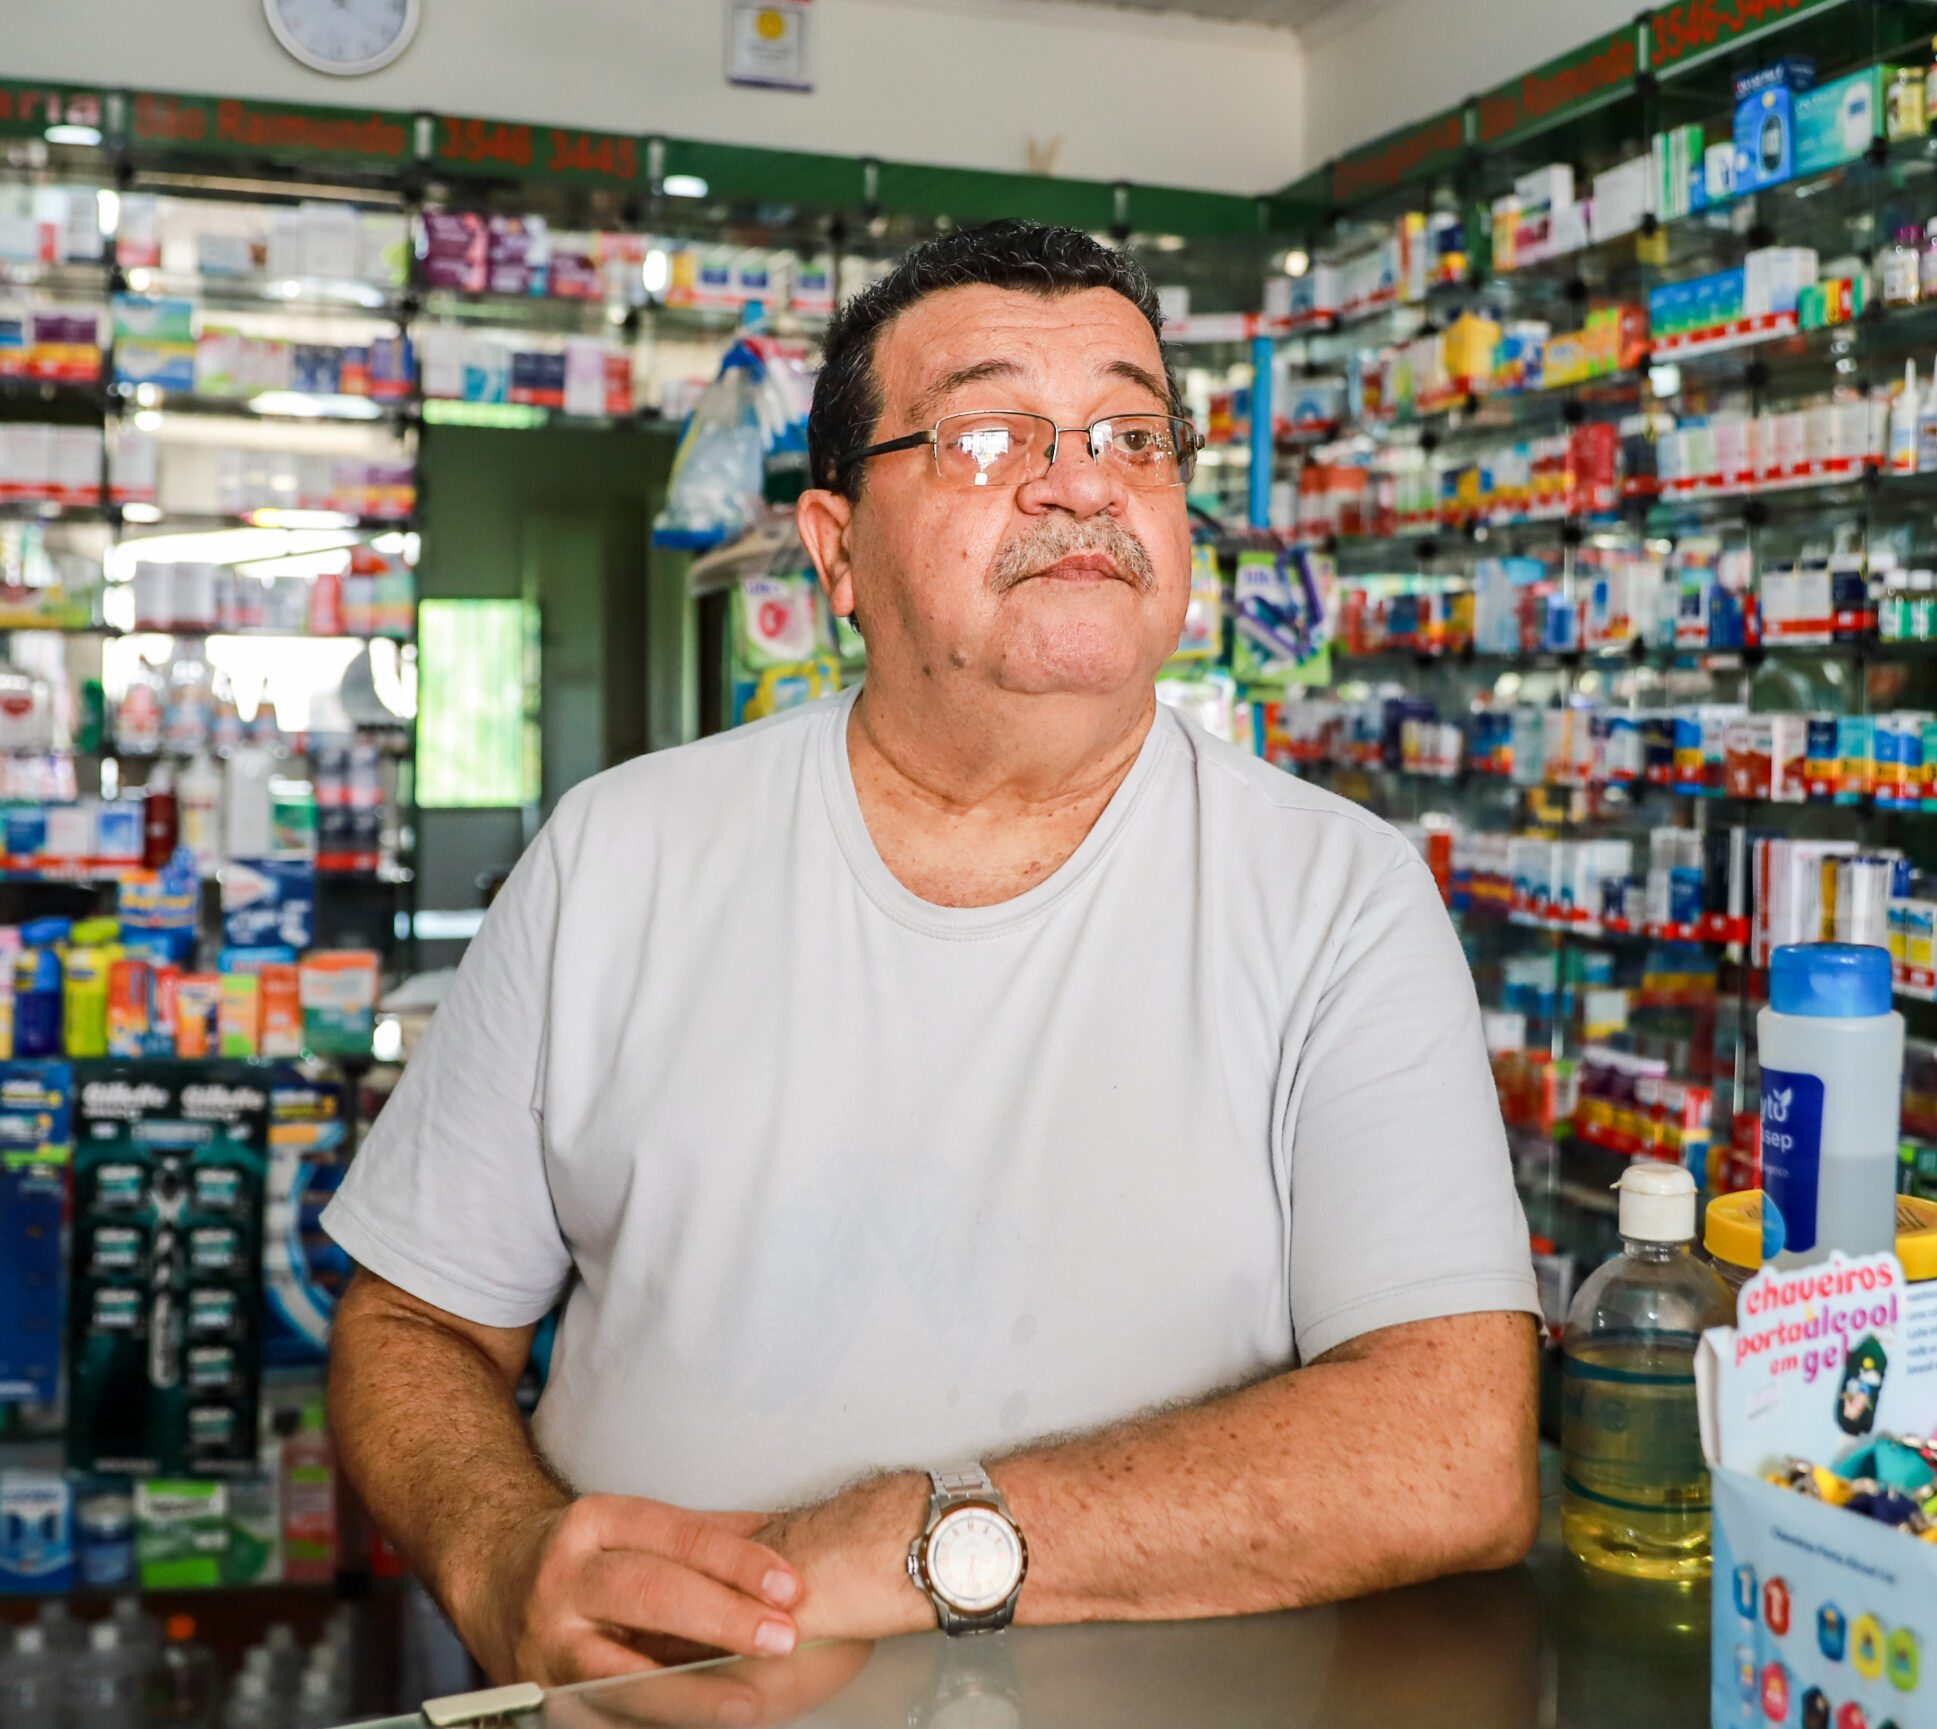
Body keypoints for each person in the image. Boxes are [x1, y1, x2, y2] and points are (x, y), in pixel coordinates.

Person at [322, 220, 1541, 1687]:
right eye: (984, 433)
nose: (1082, 478)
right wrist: (496, 1547)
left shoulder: (1337, 897)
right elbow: (411, 1321)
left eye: (1134, 433)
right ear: (835, 548)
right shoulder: (619, 858)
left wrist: (921, 1542)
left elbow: (1456, 1449)